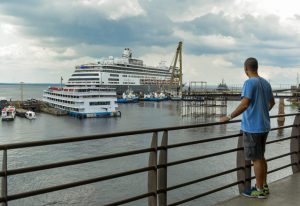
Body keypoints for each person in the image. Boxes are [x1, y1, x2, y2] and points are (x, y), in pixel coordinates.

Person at [220, 57, 275, 198]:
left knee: (256, 159)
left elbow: (245, 104)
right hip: (264, 126)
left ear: (246, 69)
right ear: (257, 67)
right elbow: (272, 103)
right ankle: (264, 185)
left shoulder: (249, 83)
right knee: (261, 157)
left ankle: (259, 189)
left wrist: (229, 117)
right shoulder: (265, 83)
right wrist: (262, 112)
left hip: (252, 128)